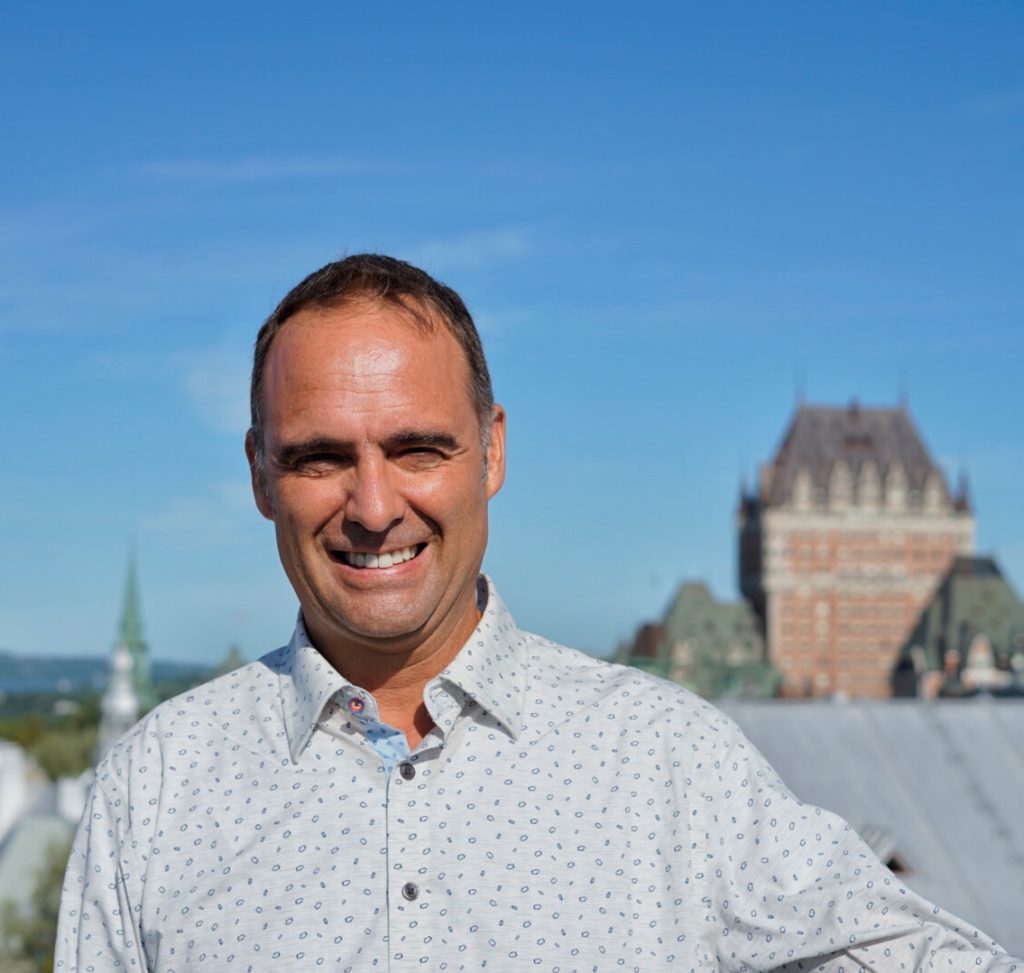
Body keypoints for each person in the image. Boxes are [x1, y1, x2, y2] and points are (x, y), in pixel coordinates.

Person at [56, 255, 1018, 972]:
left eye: (419, 447)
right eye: (320, 457)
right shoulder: (156, 790)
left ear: (493, 452)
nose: (375, 505)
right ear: (261, 473)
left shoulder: (665, 759)